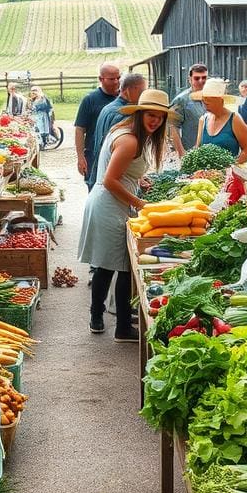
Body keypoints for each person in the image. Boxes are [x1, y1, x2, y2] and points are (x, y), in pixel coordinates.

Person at [78, 88, 171, 342]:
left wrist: (138, 178)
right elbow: (110, 179)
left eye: (160, 117)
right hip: (109, 204)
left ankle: (100, 318)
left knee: (110, 266)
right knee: (119, 266)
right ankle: (117, 326)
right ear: (140, 113)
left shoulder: (127, 131)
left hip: (111, 202)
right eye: (150, 115)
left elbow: (120, 170)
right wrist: (139, 202)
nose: (155, 121)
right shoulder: (130, 139)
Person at [87, 72, 146, 189]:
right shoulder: (123, 114)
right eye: (142, 91)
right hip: (112, 179)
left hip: (99, 172)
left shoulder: (108, 108)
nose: (143, 95)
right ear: (130, 89)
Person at [74, 63, 121, 190]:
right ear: (101, 79)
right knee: (96, 188)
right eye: (112, 79)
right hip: (95, 154)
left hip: (119, 152)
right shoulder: (90, 100)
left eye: (118, 77)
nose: (116, 82)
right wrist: (80, 157)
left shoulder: (124, 98)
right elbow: (80, 129)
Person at [192, 79, 247, 165]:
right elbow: (197, 149)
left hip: (229, 175)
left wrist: (232, 166)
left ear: (220, 100)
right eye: (204, 99)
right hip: (206, 175)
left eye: (209, 100)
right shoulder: (203, 120)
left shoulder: (235, 119)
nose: (205, 103)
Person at [169, 63, 208, 158]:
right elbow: (173, 127)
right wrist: (182, 153)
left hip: (210, 152)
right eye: (197, 78)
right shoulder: (181, 100)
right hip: (191, 153)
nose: (201, 81)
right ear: (189, 79)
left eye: (204, 78)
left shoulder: (212, 97)